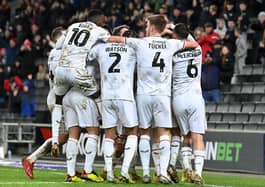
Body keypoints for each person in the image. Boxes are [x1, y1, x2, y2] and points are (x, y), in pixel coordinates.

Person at [107, 14, 199, 184]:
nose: (145, 27)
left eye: (147, 24)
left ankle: (147, 173)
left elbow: (114, 39)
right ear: (162, 27)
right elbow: (193, 44)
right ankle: (163, 172)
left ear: (152, 26)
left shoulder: (140, 42)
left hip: (143, 95)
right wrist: (170, 29)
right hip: (163, 95)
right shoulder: (172, 44)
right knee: (164, 132)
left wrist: (103, 37)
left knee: (144, 133)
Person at [51, 10, 110, 151]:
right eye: (104, 20)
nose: (105, 22)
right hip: (77, 71)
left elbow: (58, 45)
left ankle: (54, 140)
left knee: (58, 102)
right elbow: (109, 43)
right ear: (99, 19)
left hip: (61, 70)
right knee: (97, 96)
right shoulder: (100, 30)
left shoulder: (73, 26)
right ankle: (107, 123)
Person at [87, 25, 138, 183]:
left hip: (107, 95)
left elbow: (88, 56)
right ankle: (124, 171)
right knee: (133, 131)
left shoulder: (101, 48)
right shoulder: (132, 48)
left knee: (109, 134)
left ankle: (109, 172)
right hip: (125, 95)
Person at [22, 27, 69, 179]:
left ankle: (31, 159)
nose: (68, 36)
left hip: (58, 97)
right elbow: (61, 78)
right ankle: (31, 159)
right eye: (65, 34)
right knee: (68, 134)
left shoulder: (56, 53)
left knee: (66, 136)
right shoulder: (57, 53)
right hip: (57, 97)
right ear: (57, 38)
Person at [172, 23, 207, 185]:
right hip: (195, 97)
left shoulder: (174, 54)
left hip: (178, 98)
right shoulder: (198, 49)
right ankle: (198, 173)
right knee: (197, 136)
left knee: (184, 136)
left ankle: (186, 170)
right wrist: (174, 26)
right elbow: (188, 37)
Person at [63, 88, 103, 183]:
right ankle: (88, 171)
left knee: (73, 134)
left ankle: (70, 174)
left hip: (67, 96)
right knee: (93, 130)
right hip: (83, 94)